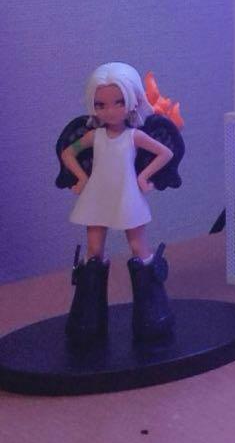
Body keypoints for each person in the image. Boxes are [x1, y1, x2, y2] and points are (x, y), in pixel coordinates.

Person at [55, 63, 185, 346]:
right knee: (94, 251)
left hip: (127, 196)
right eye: (100, 105)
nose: (110, 111)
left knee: (138, 247)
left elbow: (165, 152)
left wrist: (144, 177)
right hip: (97, 195)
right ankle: (88, 317)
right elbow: (68, 153)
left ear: (132, 102)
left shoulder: (134, 136)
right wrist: (81, 178)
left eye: (118, 103)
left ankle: (152, 314)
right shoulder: (94, 136)